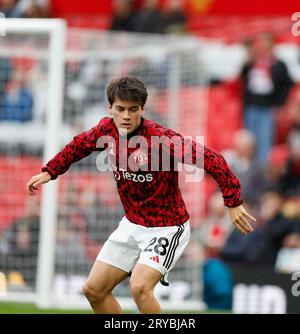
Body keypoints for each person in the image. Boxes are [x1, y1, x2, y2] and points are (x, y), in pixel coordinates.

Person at [26, 76, 255, 314]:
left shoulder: (161, 140)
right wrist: (50, 171)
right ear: (110, 108)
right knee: (93, 290)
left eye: (133, 110)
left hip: (166, 227)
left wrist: (233, 202)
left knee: (140, 288)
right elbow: (78, 145)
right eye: (120, 109)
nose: (126, 116)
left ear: (142, 109)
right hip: (132, 225)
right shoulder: (106, 130)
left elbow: (213, 159)